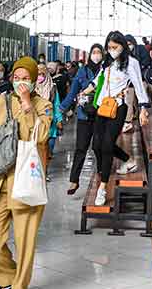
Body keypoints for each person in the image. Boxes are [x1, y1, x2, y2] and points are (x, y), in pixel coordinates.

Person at [0, 56, 50, 289]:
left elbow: (41, 136)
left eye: (26, 79)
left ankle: (18, 286)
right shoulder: (0, 101)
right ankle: (7, 276)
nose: (20, 83)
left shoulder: (43, 106)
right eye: (16, 78)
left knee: (24, 242)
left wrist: (28, 106)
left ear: (35, 80)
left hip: (26, 182)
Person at [82, 31, 150, 206]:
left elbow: (138, 86)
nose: (112, 50)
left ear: (123, 46)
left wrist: (143, 109)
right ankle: (128, 160)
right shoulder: (107, 64)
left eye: (115, 47)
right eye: (109, 47)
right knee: (96, 144)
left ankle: (102, 188)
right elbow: (98, 82)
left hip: (118, 108)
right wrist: (82, 92)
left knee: (106, 145)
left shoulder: (131, 63)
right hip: (103, 107)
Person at [60, 44, 104, 195]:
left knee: (99, 147)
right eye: (94, 52)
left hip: (101, 115)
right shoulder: (82, 71)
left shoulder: (106, 70)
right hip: (84, 115)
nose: (96, 55)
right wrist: (62, 108)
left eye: (99, 52)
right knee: (80, 148)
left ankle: (101, 172)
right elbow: (72, 91)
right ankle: (74, 180)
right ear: (90, 54)